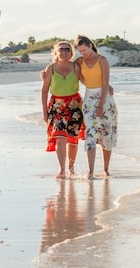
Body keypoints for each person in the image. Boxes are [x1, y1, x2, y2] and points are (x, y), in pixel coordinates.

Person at [75, 34, 118, 179]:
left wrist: (100, 105)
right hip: (89, 99)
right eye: (80, 51)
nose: (83, 54)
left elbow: (105, 83)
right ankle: (91, 171)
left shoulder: (102, 60)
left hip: (105, 99)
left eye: (84, 50)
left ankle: (106, 169)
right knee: (91, 134)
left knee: (106, 134)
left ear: (90, 46)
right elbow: (76, 74)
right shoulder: (79, 62)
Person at [41, 41, 84, 179]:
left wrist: (106, 87)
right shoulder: (50, 68)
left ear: (71, 53)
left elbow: (89, 81)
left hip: (74, 106)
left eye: (67, 49)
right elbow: (44, 90)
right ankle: (62, 170)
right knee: (59, 137)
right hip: (56, 106)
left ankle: (71, 168)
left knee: (72, 139)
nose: (64, 52)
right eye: (61, 49)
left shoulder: (76, 67)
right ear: (56, 52)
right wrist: (44, 111)